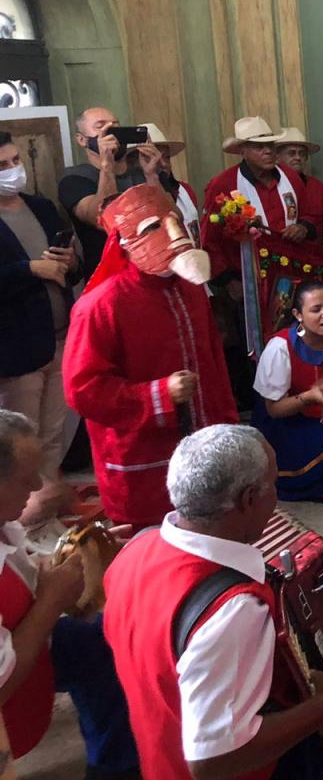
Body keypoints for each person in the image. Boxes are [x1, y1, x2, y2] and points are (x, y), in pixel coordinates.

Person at [104, 424, 323, 778]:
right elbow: (212, 761)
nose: (277, 498)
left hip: (159, 755)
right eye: (274, 486)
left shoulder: (134, 552)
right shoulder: (232, 608)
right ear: (250, 499)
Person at [63, 184, 238, 527]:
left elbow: (214, 365)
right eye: (153, 227)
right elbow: (82, 389)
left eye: (174, 221)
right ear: (125, 241)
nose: (172, 234)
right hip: (141, 458)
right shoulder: (101, 305)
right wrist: (158, 394)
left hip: (202, 449)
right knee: (150, 548)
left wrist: (225, 426)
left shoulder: (191, 289)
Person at [0, 410, 139, 779]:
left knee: (104, 641)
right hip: (11, 683)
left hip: (27, 640)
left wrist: (85, 553)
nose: (36, 485)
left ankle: (115, 767)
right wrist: (51, 600)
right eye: (24, 476)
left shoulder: (5, 522)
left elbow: (25, 572)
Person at [0, 133, 79, 525]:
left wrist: (69, 260)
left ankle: (47, 515)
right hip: (16, 348)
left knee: (53, 437)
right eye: (3, 166)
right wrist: (29, 268)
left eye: (15, 160)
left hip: (59, 336)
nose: (13, 170)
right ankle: (19, 524)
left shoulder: (41, 207)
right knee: (21, 445)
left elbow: (71, 265)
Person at [253, 281, 323, 503]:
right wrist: (311, 397)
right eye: (316, 310)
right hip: (289, 420)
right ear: (298, 314)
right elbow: (273, 409)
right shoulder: (280, 348)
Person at [201, 116, 323, 284]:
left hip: (291, 271)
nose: (268, 151)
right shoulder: (224, 184)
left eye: (270, 145)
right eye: (259, 147)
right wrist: (228, 281)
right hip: (246, 277)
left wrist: (303, 228)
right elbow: (210, 238)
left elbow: (310, 215)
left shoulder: (290, 178)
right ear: (242, 151)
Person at [57, 106, 163, 277]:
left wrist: (151, 175)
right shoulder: (74, 179)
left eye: (115, 125)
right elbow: (102, 217)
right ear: (82, 140)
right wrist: (107, 166)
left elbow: (174, 216)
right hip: (112, 277)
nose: (111, 131)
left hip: (156, 269)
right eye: (101, 127)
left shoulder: (142, 168)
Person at [144, 123, 202, 245]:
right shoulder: (137, 198)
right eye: (154, 158)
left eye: (167, 157)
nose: (164, 164)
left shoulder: (185, 190)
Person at [275, 127, 323, 223]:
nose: (298, 157)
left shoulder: (318, 188)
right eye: (291, 153)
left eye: (302, 154)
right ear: (277, 157)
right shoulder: (268, 187)